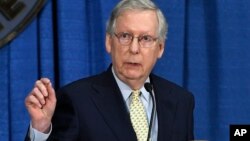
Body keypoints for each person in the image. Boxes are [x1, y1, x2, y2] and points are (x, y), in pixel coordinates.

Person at [24, 0, 195, 141]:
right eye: (125, 36)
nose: (134, 48)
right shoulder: (76, 100)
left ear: (160, 48)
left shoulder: (181, 101)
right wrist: (41, 129)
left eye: (145, 38)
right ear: (109, 42)